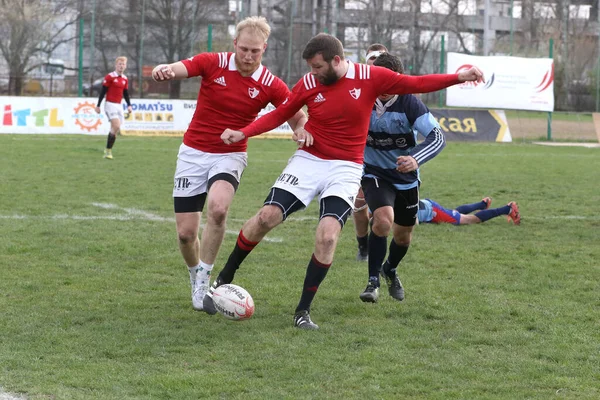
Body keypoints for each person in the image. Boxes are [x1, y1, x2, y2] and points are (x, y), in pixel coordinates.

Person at [205, 33, 484, 330]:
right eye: (310, 67)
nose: (312, 73)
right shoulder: (310, 83)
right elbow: (281, 113)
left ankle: (302, 311)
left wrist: (458, 77)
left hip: (347, 168)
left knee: (327, 237)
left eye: (317, 67)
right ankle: (223, 278)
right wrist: (243, 133)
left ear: (336, 61)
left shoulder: (370, 77)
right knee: (266, 216)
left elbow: (417, 83)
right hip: (310, 160)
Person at [150, 16, 307, 312]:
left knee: (219, 209)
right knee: (185, 234)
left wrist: (301, 128)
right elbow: (184, 67)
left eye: (255, 51)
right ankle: (195, 271)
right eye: (244, 49)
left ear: (265, 49)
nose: (248, 56)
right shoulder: (214, 62)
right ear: (235, 44)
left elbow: (296, 114)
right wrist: (166, 70)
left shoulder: (270, 83)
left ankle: (206, 279)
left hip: (230, 153)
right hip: (193, 153)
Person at [357, 52, 446, 304]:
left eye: (391, 83)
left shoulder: (410, 104)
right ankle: (372, 282)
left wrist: (415, 158)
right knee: (383, 221)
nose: (385, 89)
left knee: (403, 235)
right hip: (374, 172)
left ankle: (390, 269)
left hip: (405, 178)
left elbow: (437, 137)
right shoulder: (362, 97)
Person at [353, 43, 389, 262]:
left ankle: (376, 246)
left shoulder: (397, 89)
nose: (376, 63)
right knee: (358, 204)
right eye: (372, 59)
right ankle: (363, 246)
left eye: (381, 59)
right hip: (359, 155)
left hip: (387, 160)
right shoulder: (357, 87)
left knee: (382, 211)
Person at [95, 56, 133, 159]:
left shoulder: (125, 78)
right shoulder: (110, 77)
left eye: (123, 64)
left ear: (125, 66)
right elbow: (103, 91)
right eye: (119, 64)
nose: (121, 66)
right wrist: (98, 105)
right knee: (116, 125)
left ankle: (108, 150)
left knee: (115, 129)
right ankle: (108, 152)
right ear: (116, 65)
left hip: (119, 105)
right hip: (110, 104)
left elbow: (125, 93)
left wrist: (129, 105)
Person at [418, 197, 521, 225]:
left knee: (469, 219)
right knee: (454, 213)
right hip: (426, 205)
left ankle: (508, 209)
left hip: (431, 211)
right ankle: (483, 204)